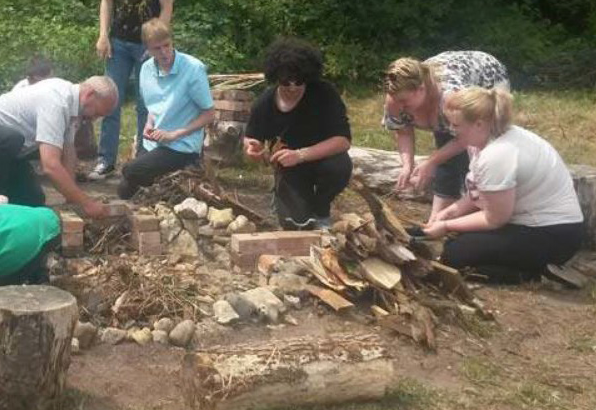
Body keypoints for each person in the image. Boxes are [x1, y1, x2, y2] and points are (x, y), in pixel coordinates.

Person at [422, 88, 584, 283]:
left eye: (456, 124)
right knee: (459, 239)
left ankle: (534, 274)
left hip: (552, 234)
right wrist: (451, 212)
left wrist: (446, 226)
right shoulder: (482, 140)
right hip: (531, 224)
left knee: (454, 257)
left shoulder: (498, 155)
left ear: (479, 124)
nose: (451, 129)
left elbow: (494, 219)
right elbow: (481, 192)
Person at [0, 76, 118, 219]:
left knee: (33, 200)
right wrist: (86, 202)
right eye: (97, 113)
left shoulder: (73, 108)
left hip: (8, 150)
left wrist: (72, 196)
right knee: (11, 138)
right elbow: (50, 165)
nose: (94, 119)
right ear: (89, 95)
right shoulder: (57, 101)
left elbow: (68, 151)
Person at [90, 0, 174, 181]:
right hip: (118, 41)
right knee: (109, 101)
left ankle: (141, 163)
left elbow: (167, 4)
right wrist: (103, 35)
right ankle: (105, 161)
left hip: (145, 44)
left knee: (144, 103)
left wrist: (156, 43)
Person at [383, 51, 509, 219]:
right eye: (396, 100)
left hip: (485, 75)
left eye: (404, 102)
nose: (400, 106)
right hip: (444, 98)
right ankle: (439, 218)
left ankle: (484, 210)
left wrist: (431, 161)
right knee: (445, 150)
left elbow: (466, 137)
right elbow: (403, 132)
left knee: (479, 154)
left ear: (421, 89)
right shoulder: (396, 96)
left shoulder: (450, 97)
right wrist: (407, 165)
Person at [244, 39, 352, 230]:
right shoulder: (265, 103)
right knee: (296, 224)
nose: (293, 88)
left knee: (339, 166)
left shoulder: (324, 93)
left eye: (299, 82)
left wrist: (300, 155)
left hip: (322, 158)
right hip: (288, 167)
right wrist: (253, 149)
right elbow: (252, 139)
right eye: (286, 83)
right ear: (276, 79)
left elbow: (343, 140)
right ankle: (286, 199)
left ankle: (321, 208)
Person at [117, 19, 214, 199]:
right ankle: (156, 193)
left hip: (180, 145)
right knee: (124, 189)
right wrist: (149, 124)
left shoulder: (193, 69)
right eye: (157, 48)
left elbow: (209, 114)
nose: (164, 52)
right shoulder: (146, 69)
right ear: (147, 49)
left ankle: (170, 185)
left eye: (166, 45)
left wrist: (175, 134)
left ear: (172, 41)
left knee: (130, 171)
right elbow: (153, 107)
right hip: (154, 142)